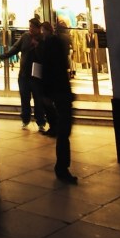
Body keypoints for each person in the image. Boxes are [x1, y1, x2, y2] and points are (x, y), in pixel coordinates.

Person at [39, 18, 79, 183]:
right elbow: (50, 68)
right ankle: (62, 167)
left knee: (64, 130)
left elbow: (50, 68)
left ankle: (62, 166)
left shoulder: (54, 43)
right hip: (60, 91)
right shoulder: (54, 44)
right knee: (64, 130)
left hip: (60, 91)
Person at [3, 16, 47, 131]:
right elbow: (16, 48)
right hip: (24, 74)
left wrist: (37, 45)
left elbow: (44, 56)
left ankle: (40, 121)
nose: (30, 29)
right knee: (24, 98)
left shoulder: (42, 39)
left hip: (36, 75)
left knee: (38, 99)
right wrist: (5, 55)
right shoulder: (25, 37)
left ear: (38, 28)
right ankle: (25, 119)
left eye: (32, 27)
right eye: (30, 27)